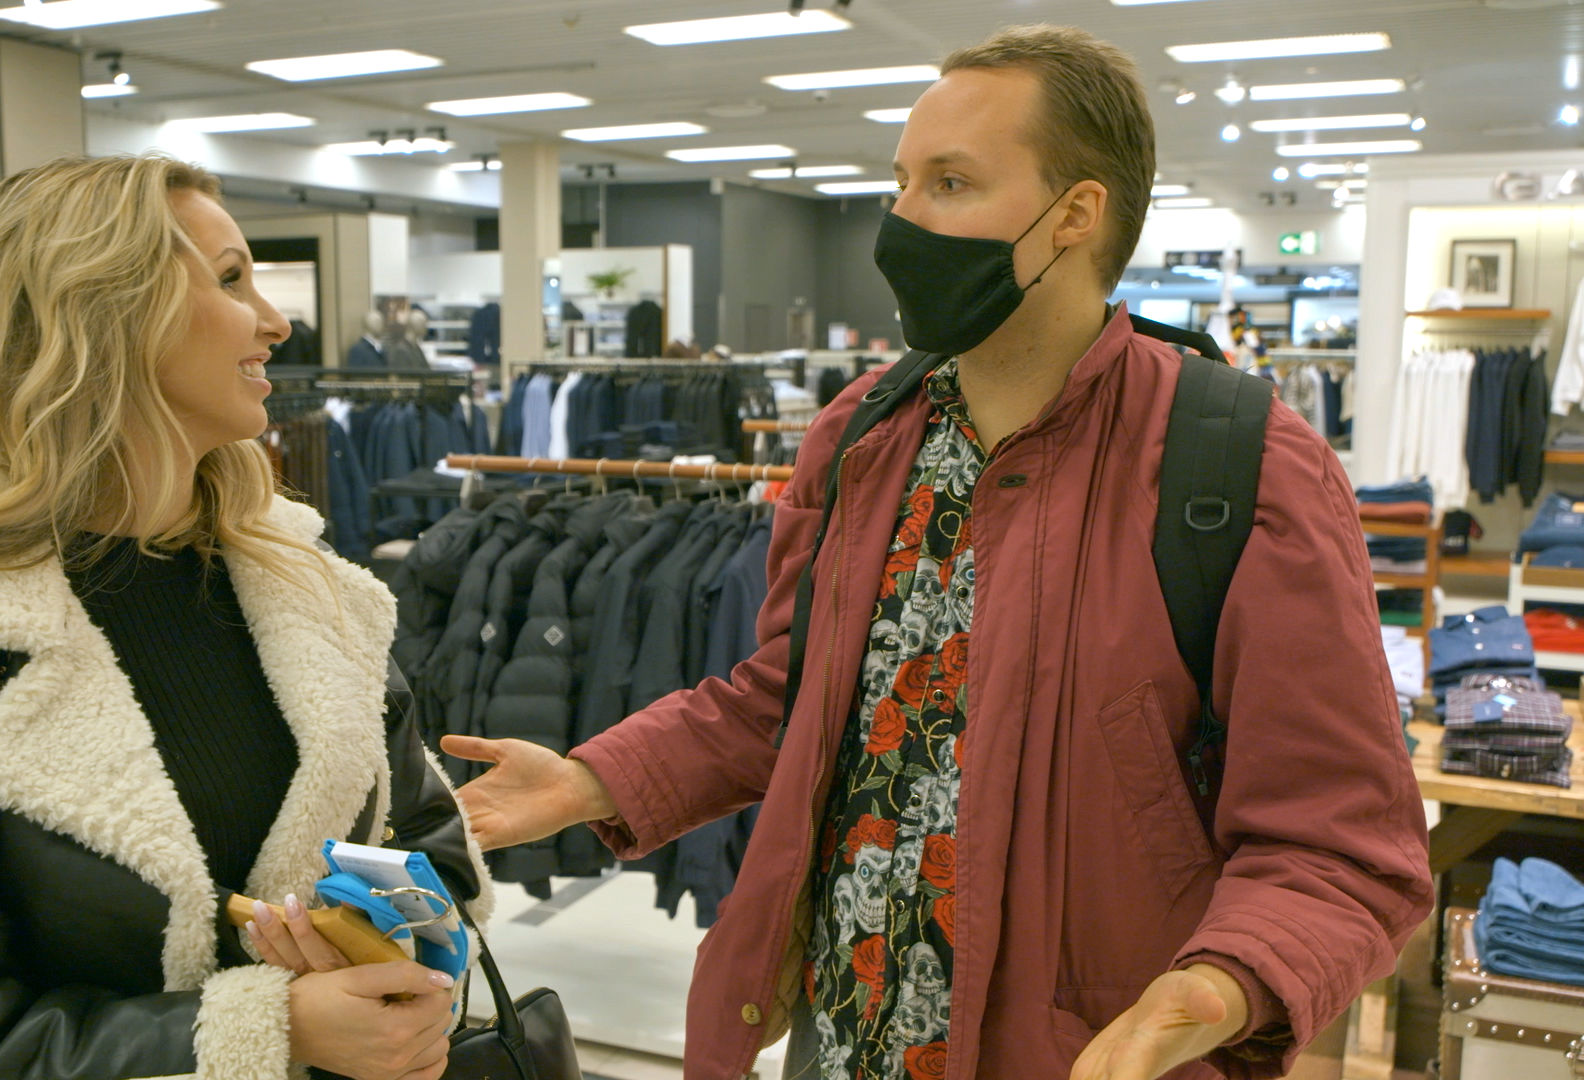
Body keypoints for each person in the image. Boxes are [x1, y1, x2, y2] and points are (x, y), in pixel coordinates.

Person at [444, 24, 1432, 1080]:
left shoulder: (1238, 464)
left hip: (1081, 1050)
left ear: (1075, 216)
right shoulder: (863, 437)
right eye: (901, 183)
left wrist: (1221, 985)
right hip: (842, 1034)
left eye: (950, 184)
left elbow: (1341, 840)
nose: (900, 223)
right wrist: (596, 777)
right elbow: (794, 698)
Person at [0, 153, 492, 1080]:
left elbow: (427, 840)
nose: (277, 322)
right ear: (108, 313)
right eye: (231, 279)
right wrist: (260, 1032)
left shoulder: (307, 588)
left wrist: (384, 955)